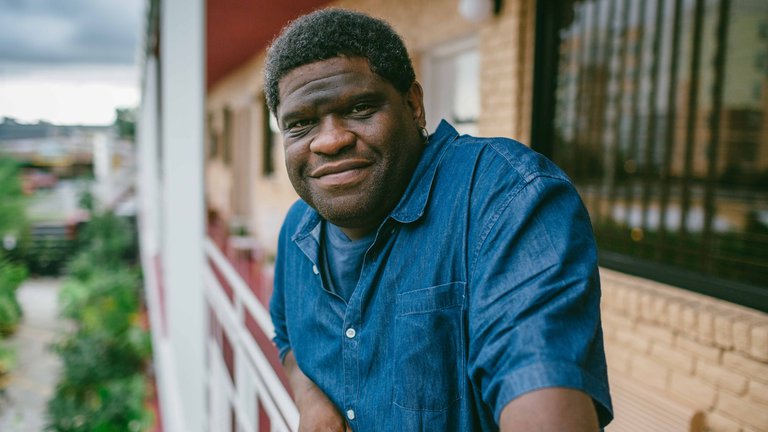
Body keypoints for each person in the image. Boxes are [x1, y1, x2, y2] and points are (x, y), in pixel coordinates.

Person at [266, 8, 612, 431]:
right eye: (300, 124)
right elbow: (286, 336)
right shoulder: (297, 229)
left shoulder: (504, 199)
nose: (331, 139)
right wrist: (311, 400)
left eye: (360, 107)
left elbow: (537, 383)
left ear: (413, 105)